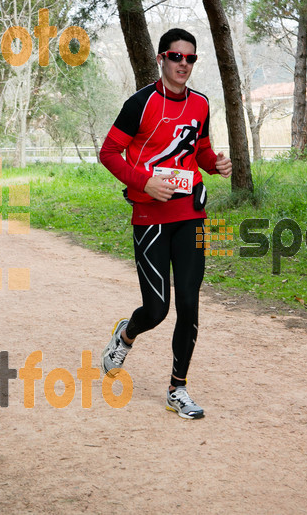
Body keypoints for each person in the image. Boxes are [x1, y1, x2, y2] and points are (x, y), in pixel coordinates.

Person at [99, 28, 232, 420]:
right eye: (176, 57)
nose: (183, 65)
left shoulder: (201, 104)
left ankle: (178, 388)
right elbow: (108, 152)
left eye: (190, 59)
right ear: (161, 59)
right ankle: (126, 334)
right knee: (157, 309)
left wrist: (216, 165)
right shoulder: (140, 104)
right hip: (150, 218)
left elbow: (201, 152)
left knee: (189, 305)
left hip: (191, 213)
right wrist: (144, 182)